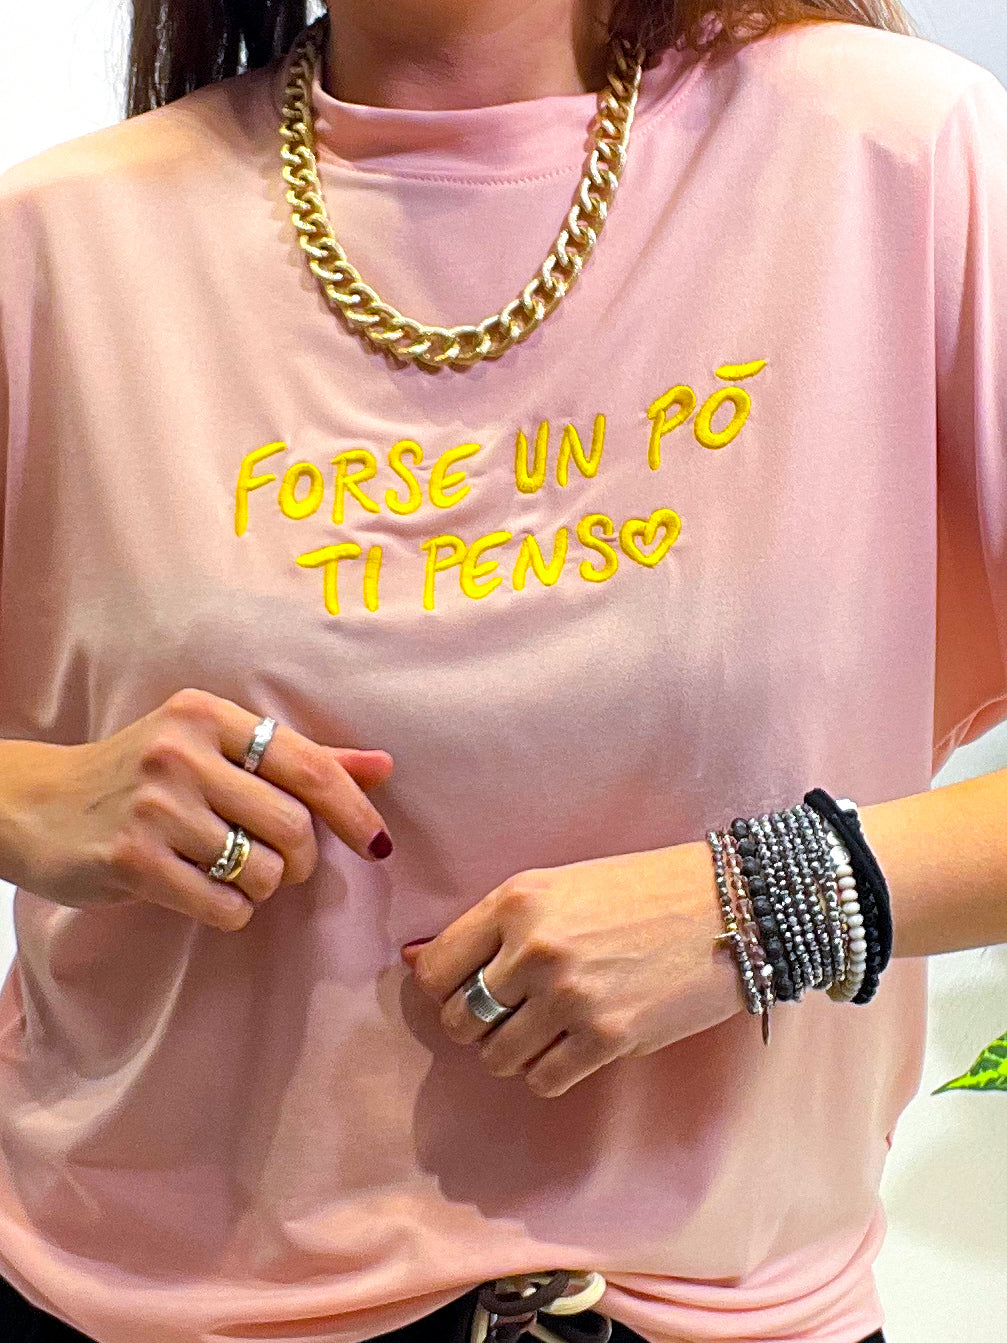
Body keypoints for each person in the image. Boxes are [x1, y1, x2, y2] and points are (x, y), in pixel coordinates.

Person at [0, 0, 1005, 1339]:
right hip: (134, 1302)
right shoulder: (58, 238)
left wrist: (760, 908)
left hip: (730, 1306)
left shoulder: (891, 155)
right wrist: (27, 801)